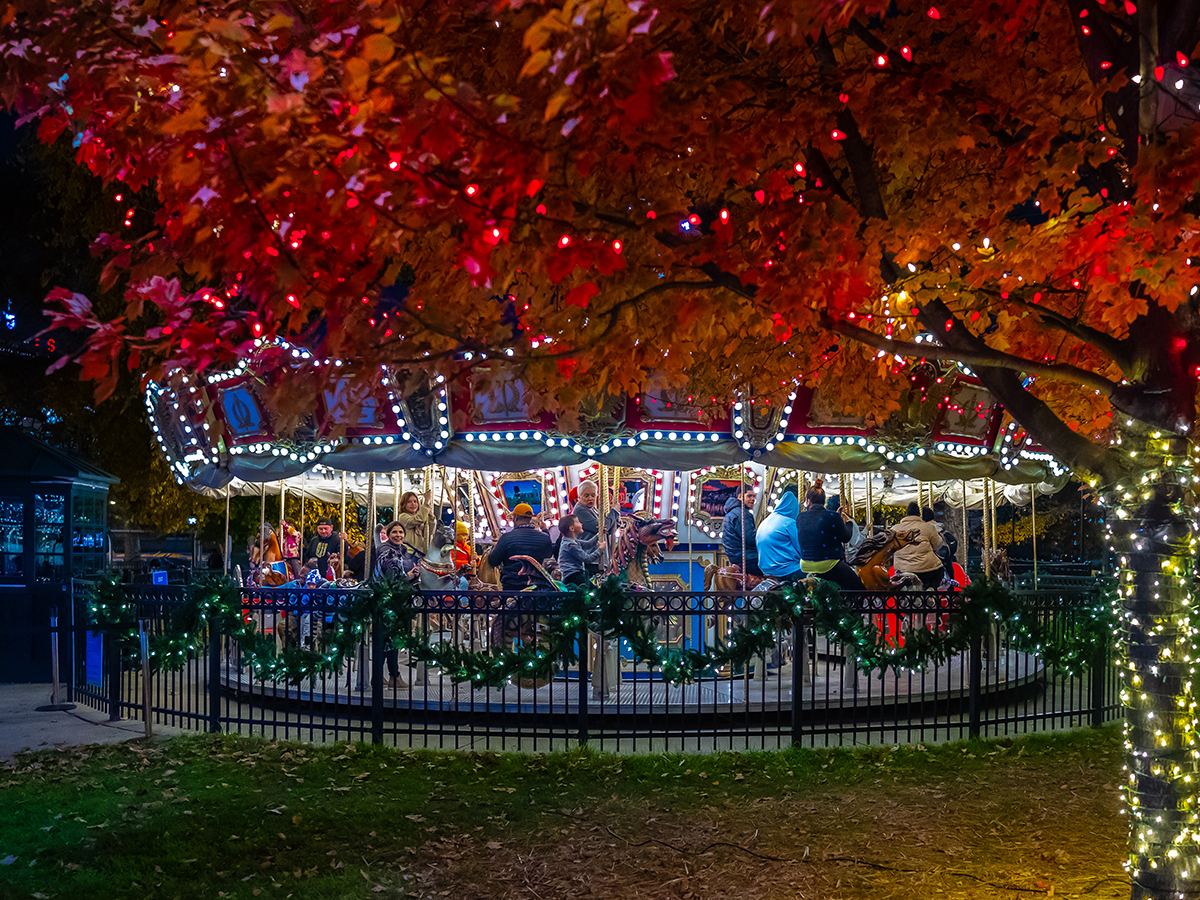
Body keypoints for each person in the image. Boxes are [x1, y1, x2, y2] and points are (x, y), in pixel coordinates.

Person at [796, 482, 865, 590]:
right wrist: (847, 523)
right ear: (823, 501)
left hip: (805, 564)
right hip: (828, 564)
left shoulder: (800, 517)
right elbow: (846, 537)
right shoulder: (833, 517)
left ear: (808, 501)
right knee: (858, 587)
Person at [486, 503, 555, 590]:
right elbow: (548, 559)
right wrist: (545, 530)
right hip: (538, 589)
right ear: (530, 518)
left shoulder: (506, 538)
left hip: (512, 588)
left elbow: (493, 561)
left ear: (515, 517)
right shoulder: (544, 538)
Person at [892, 502, 945, 588]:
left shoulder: (895, 529)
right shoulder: (927, 527)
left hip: (902, 568)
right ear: (918, 513)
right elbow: (938, 544)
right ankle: (931, 592)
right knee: (940, 571)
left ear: (907, 514)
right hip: (926, 569)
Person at [573, 481, 619, 577]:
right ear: (579, 497)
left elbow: (606, 528)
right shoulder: (580, 510)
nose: (590, 498)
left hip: (597, 556)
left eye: (593, 495)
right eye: (586, 495)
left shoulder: (593, 509)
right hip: (590, 557)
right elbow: (600, 527)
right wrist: (614, 512)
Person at [756, 491, 803, 581]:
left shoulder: (766, 521)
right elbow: (801, 547)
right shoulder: (789, 522)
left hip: (765, 569)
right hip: (785, 569)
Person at [720, 487, 761, 576]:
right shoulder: (743, 513)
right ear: (740, 496)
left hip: (735, 557)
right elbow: (750, 538)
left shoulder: (731, 512)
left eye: (754, 496)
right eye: (749, 496)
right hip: (748, 558)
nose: (752, 499)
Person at [557, 513, 599, 586]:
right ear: (572, 528)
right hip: (572, 576)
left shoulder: (570, 540)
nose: (581, 524)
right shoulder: (570, 545)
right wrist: (600, 550)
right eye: (578, 522)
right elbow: (587, 558)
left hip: (575, 574)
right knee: (594, 591)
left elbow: (588, 544)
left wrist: (599, 534)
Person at [396, 491, 435, 556]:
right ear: (404, 504)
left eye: (415, 501)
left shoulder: (422, 516)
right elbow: (417, 520)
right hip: (409, 552)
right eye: (409, 502)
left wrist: (431, 517)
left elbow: (430, 532)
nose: (413, 504)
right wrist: (426, 502)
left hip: (421, 552)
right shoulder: (403, 517)